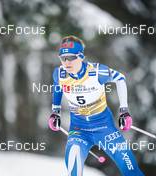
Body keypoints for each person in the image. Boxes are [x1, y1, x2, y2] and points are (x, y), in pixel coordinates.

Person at [48, 35, 144, 176]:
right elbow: (57, 87)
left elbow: (120, 79)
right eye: (63, 58)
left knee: (129, 168)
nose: (66, 62)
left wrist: (124, 110)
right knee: (73, 166)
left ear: (81, 56)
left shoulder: (97, 71)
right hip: (78, 129)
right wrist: (55, 112)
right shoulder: (60, 74)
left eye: (71, 58)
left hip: (104, 127)